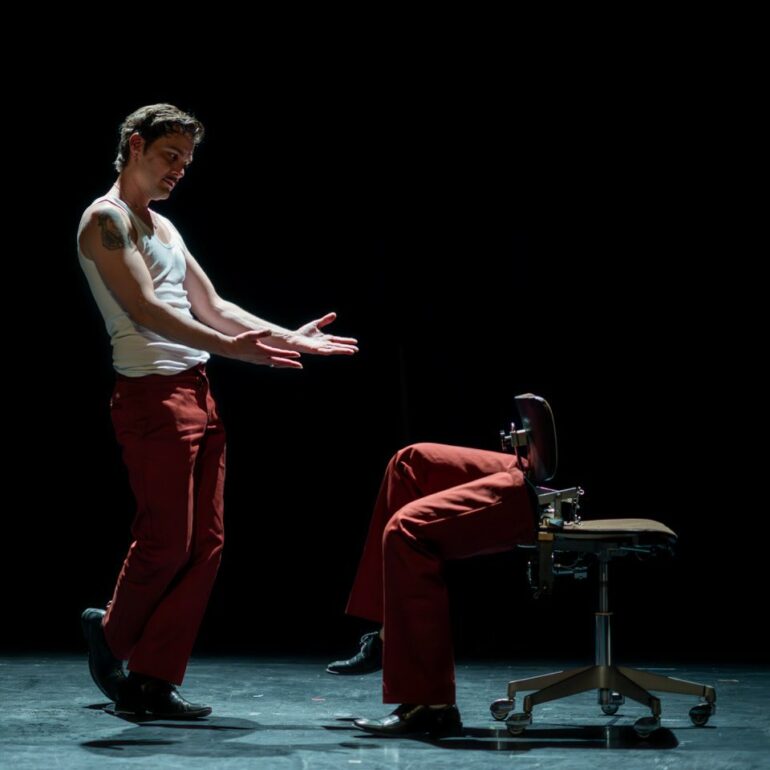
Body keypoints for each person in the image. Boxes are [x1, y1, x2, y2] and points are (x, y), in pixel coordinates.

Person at [78, 104, 358, 720]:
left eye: (186, 160)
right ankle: (111, 636)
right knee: (165, 543)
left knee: (206, 544)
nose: (180, 169)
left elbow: (214, 305)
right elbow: (147, 309)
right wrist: (235, 350)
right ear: (134, 145)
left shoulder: (164, 227)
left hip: (197, 390)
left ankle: (151, 680)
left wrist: (290, 337)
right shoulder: (106, 220)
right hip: (152, 395)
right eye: (170, 155)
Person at [326, 441, 537, 737]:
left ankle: (432, 704)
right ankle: (391, 634)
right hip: (534, 468)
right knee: (407, 463)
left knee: (404, 530)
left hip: (556, 491)